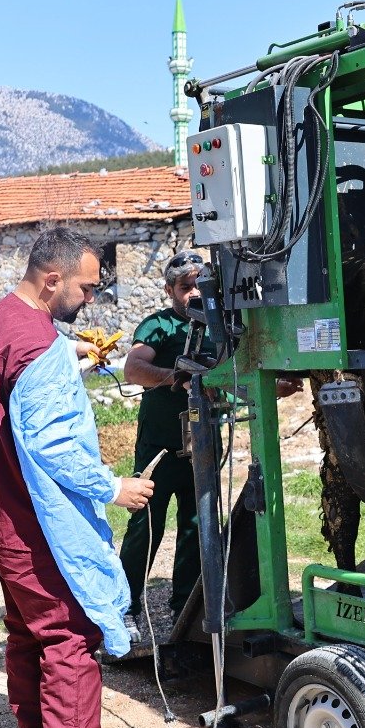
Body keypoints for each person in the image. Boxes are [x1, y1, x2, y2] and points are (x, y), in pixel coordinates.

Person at [0, 228, 155, 728]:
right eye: (85, 287)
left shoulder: (0, 319)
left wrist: (71, 361)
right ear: (52, 280)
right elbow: (53, 445)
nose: (90, 299)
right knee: (71, 628)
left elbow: (20, 391)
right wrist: (111, 487)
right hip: (31, 517)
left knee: (28, 630)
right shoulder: (37, 344)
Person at [117, 252, 302, 624]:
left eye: (198, 286)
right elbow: (134, 369)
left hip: (203, 443)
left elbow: (231, 383)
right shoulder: (159, 326)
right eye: (184, 287)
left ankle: (184, 607)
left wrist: (272, 388)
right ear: (170, 290)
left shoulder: (222, 329)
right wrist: (177, 378)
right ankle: (124, 606)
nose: (192, 294)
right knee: (145, 526)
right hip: (161, 446)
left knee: (196, 526)